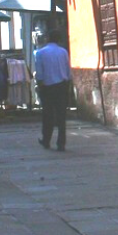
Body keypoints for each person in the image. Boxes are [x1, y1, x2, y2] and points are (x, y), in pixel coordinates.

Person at [33, 21, 72, 150]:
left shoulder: (41, 53)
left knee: (47, 115)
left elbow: (39, 73)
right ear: (59, 39)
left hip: (47, 86)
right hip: (61, 85)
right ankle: (61, 143)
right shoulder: (63, 52)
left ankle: (46, 140)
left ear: (47, 39)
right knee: (61, 116)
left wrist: (40, 85)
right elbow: (67, 70)